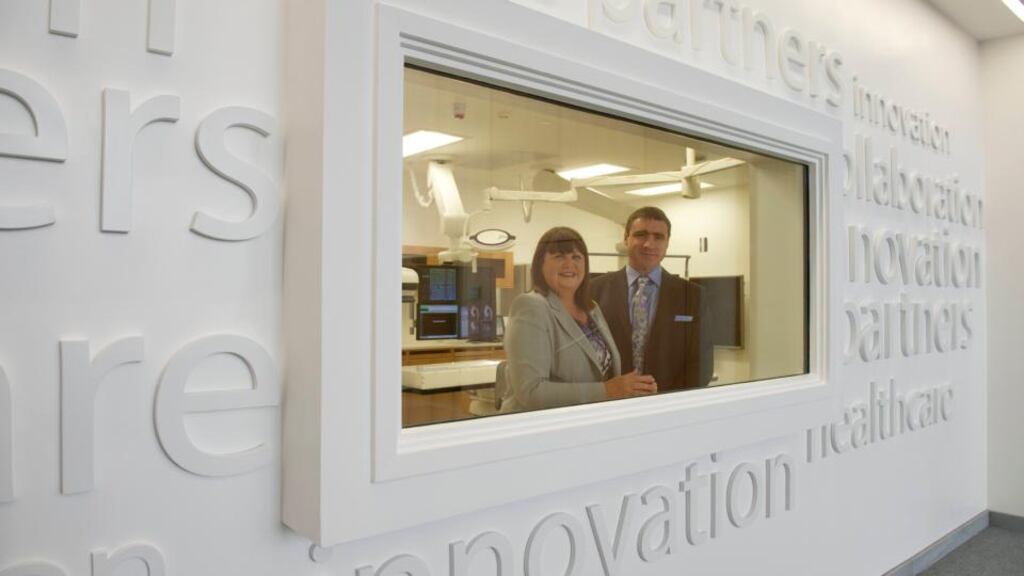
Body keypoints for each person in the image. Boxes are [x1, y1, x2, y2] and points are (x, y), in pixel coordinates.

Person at [498, 227, 657, 413]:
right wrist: (607, 390)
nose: (569, 264)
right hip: (541, 430)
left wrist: (634, 388)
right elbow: (531, 391)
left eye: (576, 257)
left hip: (583, 421)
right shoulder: (531, 306)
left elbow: (603, 372)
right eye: (559, 257)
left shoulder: (591, 308)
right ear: (540, 264)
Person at [590, 206, 713, 392]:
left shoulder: (693, 296)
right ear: (626, 238)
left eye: (658, 237)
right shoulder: (594, 291)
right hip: (610, 405)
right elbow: (584, 355)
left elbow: (701, 364)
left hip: (668, 407)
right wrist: (606, 391)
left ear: (667, 242)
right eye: (641, 235)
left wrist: (665, 400)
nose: (649, 244)